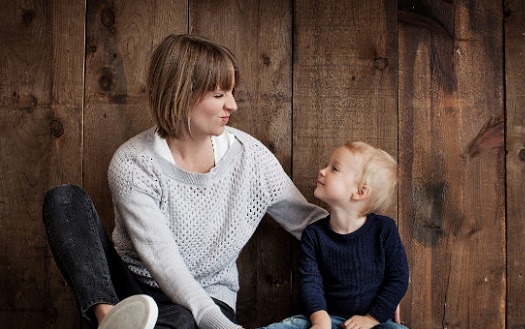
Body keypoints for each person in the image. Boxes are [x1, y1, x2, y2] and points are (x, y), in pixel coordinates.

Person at [42, 33, 327, 329]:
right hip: (130, 290)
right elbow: (163, 262)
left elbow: (308, 222)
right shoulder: (133, 163)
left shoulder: (250, 158)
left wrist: (376, 237)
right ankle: (109, 320)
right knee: (64, 199)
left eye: (231, 93)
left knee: (181, 319)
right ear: (180, 94)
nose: (232, 105)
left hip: (207, 299)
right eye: (219, 95)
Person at [260, 141, 409, 329]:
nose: (322, 171)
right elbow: (310, 282)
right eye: (327, 165)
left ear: (360, 191)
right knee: (288, 326)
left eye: (335, 169)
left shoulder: (384, 229)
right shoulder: (314, 235)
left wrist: (372, 318)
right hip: (328, 318)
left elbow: (399, 277)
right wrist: (319, 319)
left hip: (374, 322)